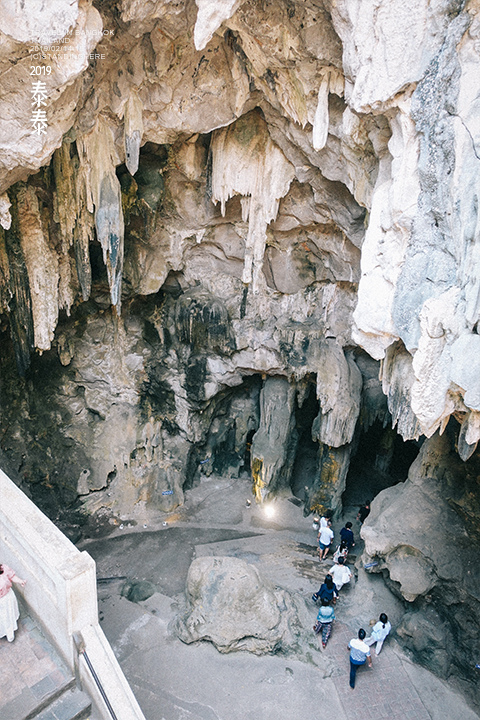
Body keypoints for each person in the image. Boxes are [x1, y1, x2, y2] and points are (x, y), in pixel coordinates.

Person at [0, 563, 26, 642]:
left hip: (7, 597)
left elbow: (11, 576)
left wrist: (20, 581)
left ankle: (9, 632)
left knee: (7, 615)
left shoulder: (3, 568)